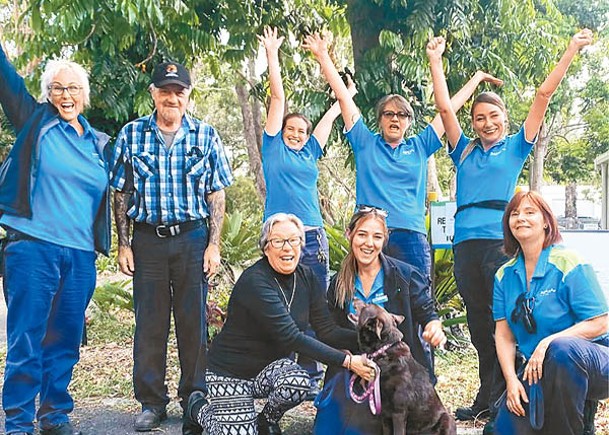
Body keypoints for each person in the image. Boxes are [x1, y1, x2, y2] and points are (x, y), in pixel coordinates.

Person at [426, 29, 593, 428]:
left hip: (503, 243)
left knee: (509, 318)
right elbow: (445, 110)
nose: (487, 123)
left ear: (505, 119)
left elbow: (542, 96)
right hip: (465, 243)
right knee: (479, 322)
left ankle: (516, 390)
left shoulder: (517, 146)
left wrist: (570, 49)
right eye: (480, 118)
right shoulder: (462, 149)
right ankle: (490, 393)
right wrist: (435, 60)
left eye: (494, 117)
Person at [303, 32, 503, 280]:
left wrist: (476, 79)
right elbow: (344, 97)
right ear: (380, 120)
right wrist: (323, 56)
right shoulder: (365, 142)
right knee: (367, 306)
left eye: (401, 114)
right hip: (370, 234)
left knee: (416, 303)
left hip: (411, 237)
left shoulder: (420, 146)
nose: (394, 118)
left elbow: (448, 111)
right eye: (388, 114)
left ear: (409, 121)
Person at [110, 61, 233, 435]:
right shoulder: (132, 135)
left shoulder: (206, 136)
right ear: (153, 93)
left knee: (193, 322)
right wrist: (124, 244)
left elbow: (217, 193)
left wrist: (214, 245)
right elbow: (120, 192)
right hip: (147, 240)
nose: (172, 97)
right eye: (165, 90)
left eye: (179, 90)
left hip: (193, 239)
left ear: (188, 95)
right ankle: (152, 402)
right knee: (150, 323)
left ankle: (194, 397)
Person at [0, 40, 111, 435]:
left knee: (64, 340)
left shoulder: (99, 144)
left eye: (74, 88)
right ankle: (18, 422)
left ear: (85, 95)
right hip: (32, 247)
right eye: (58, 88)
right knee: (26, 337)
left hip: (80, 255)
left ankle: (54, 415)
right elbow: (6, 80)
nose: (66, 95)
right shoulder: (35, 121)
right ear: (48, 94)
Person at [184, 213, 375, 435]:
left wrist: (370, 340)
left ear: (301, 245)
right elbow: (292, 337)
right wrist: (350, 361)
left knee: (298, 382)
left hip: (269, 370)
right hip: (230, 372)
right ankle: (197, 408)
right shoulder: (255, 281)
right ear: (266, 248)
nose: (287, 248)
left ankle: (266, 421)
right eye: (278, 241)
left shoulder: (308, 277)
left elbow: (326, 330)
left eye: (294, 240)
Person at [258, 26, 356, 399]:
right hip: (279, 236)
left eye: (302, 130)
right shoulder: (272, 148)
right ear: (281, 131)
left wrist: (347, 94)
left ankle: (314, 378)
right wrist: (272, 54)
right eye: (292, 129)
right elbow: (278, 97)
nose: (298, 133)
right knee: (279, 305)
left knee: (317, 307)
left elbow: (333, 116)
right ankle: (279, 372)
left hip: (312, 237)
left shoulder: (310, 152)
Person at [315, 205, 447, 433]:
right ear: (350, 235)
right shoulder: (338, 284)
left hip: (396, 374)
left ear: (384, 240)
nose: (369, 243)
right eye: (362, 234)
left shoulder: (404, 275)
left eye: (377, 237)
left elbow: (426, 311)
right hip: (353, 370)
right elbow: (331, 332)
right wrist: (353, 358)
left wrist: (434, 326)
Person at [492, 190, 608, 434]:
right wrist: (512, 381)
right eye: (514, 214)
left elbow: (600, 322)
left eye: (529, 212)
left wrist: (549, 341)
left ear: (546, 221)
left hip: (593, 360)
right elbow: (504, 336)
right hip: (538, 368)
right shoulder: (504, 275)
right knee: (499, 430)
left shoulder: (569, 261)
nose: (520, 218)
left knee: (561, 350)